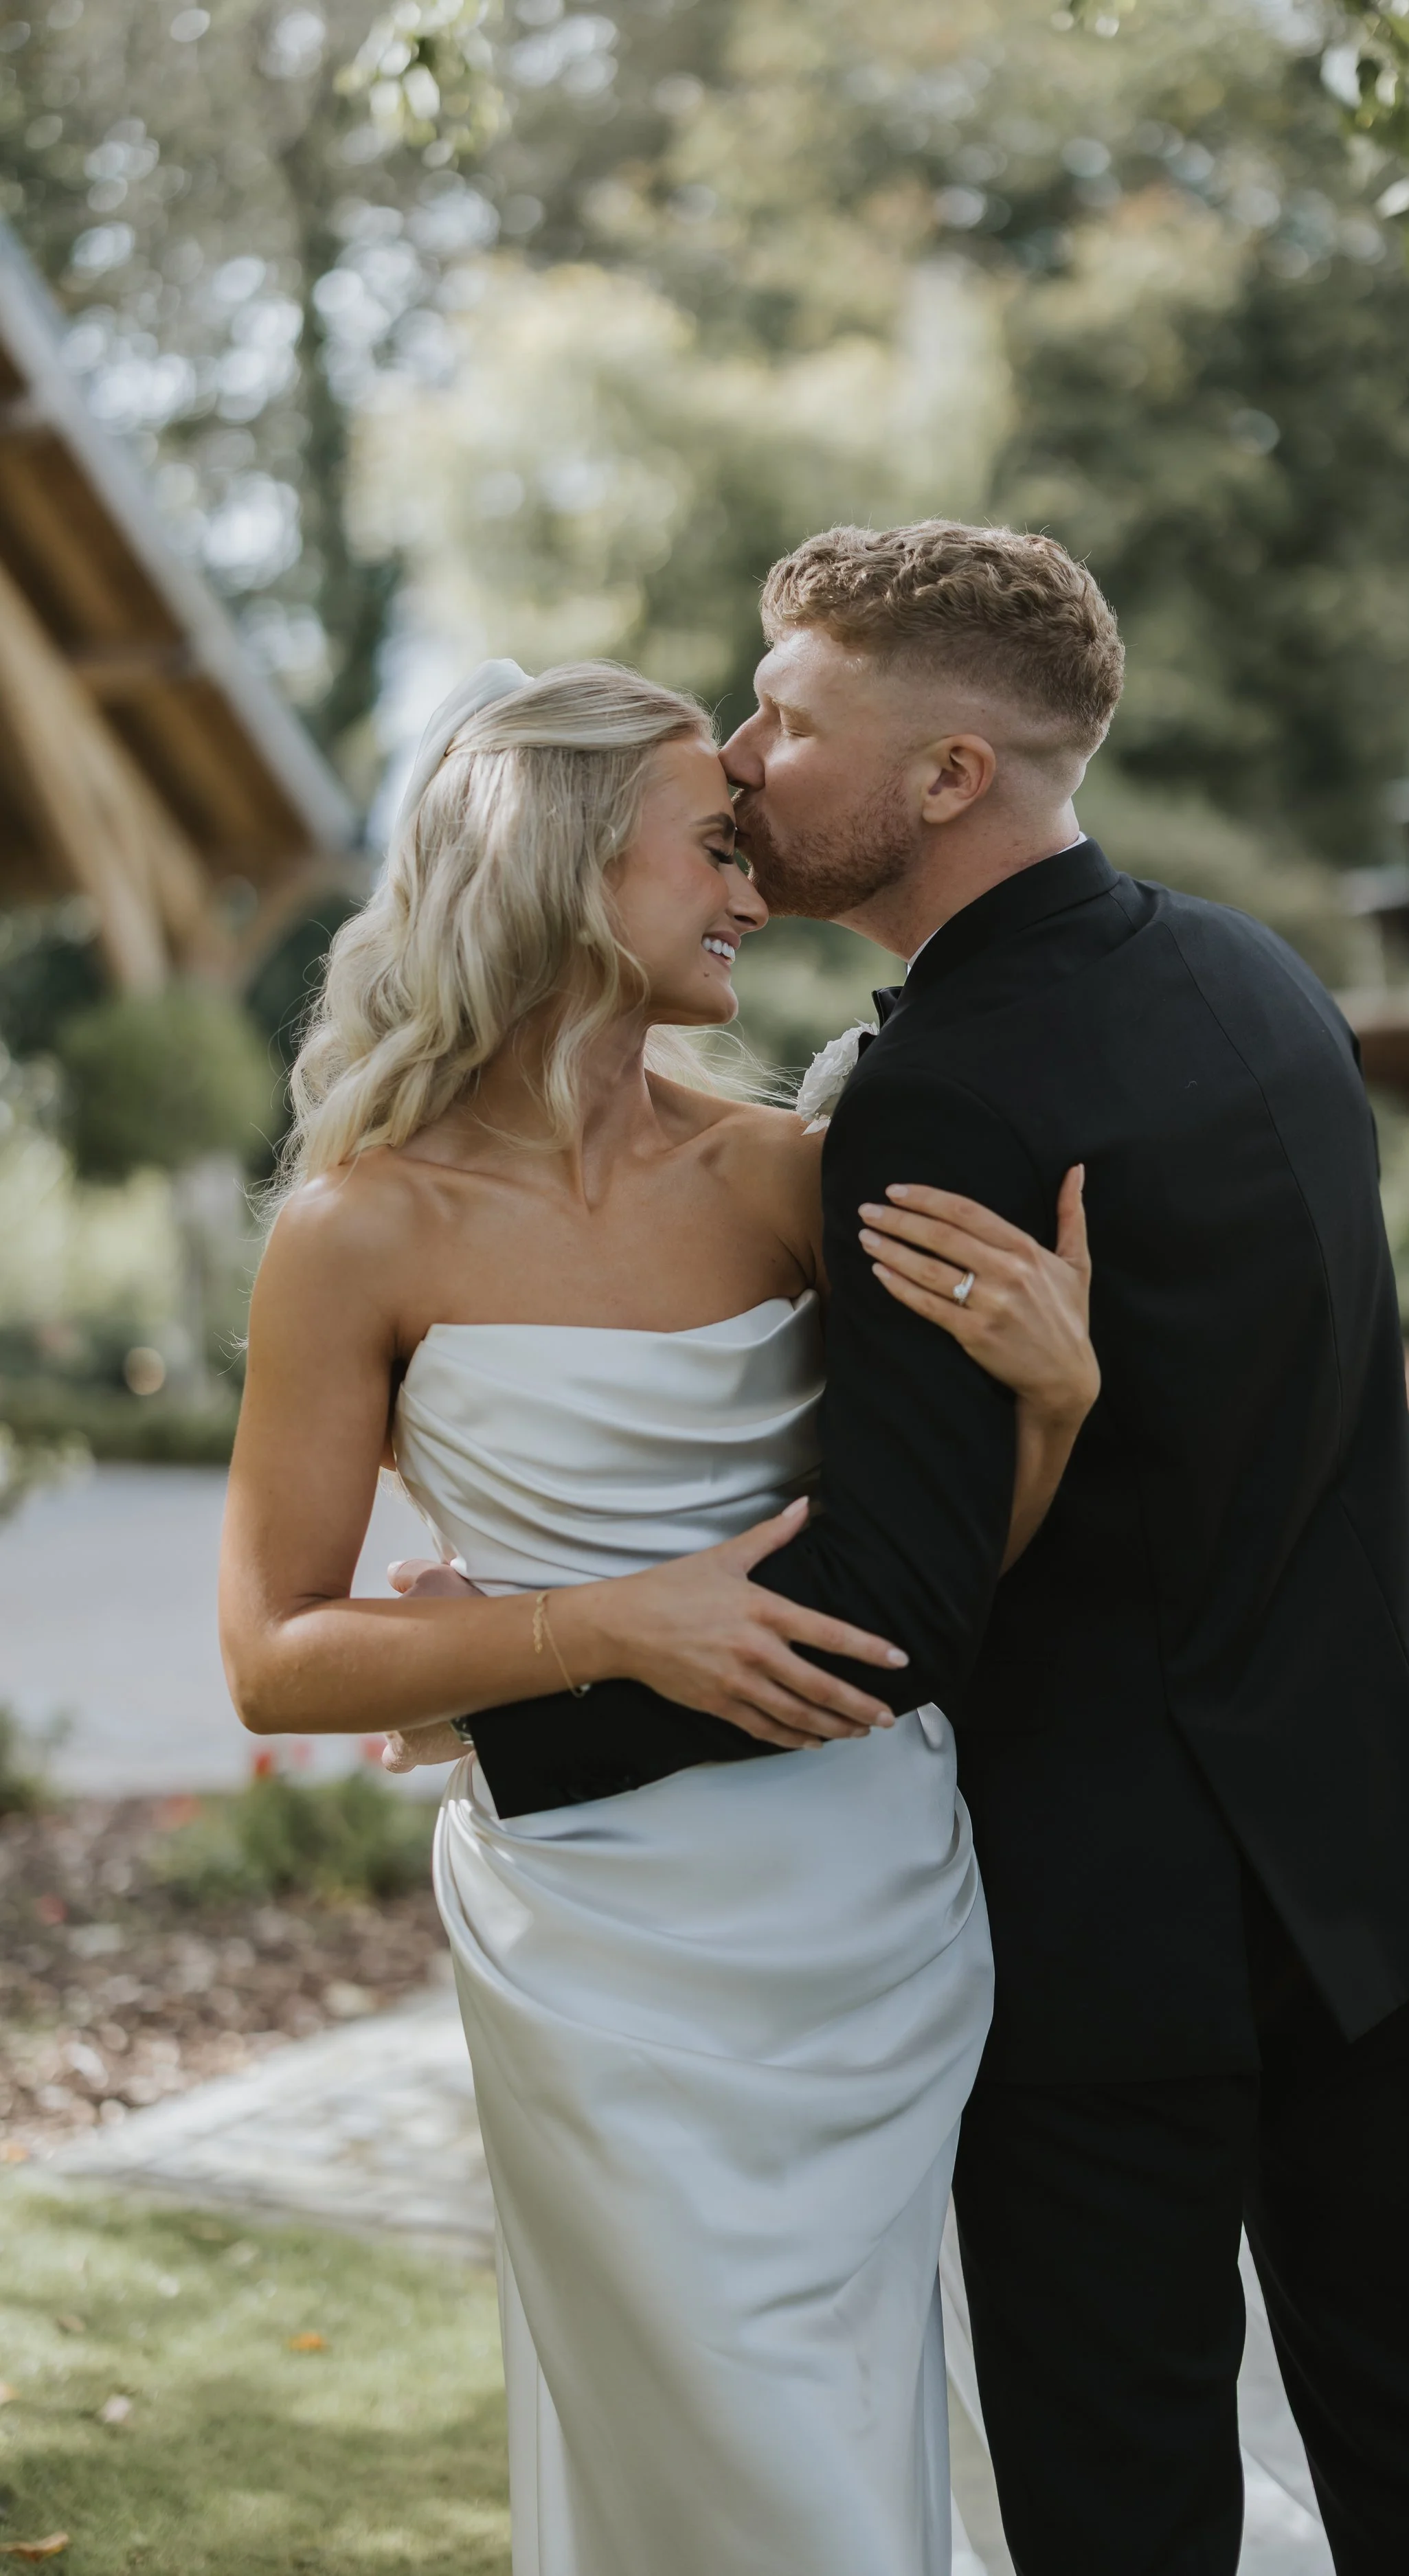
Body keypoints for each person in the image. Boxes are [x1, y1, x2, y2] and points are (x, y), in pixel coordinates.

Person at [468, 521, 1409, 2575]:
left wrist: (513, 1696)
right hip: (1387, 1840)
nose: (748, 763)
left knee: (1119, 2494)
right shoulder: (1256, 971)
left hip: (1116, 1920)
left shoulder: (941, 1095)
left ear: (950, 775)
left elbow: (891, 1599)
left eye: (788, 718)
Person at [217, 656, 1101, 2576]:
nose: (753, 889)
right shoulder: (358, 1226)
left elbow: (941, 1588)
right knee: (708, 2441)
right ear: (552, 870)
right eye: (708, 848)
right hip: (596, 1941)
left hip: (866, 1897)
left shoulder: (790, 1175)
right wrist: (597, 1627)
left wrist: (1048, 1403)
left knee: (847, 2418)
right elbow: (275, 1651)